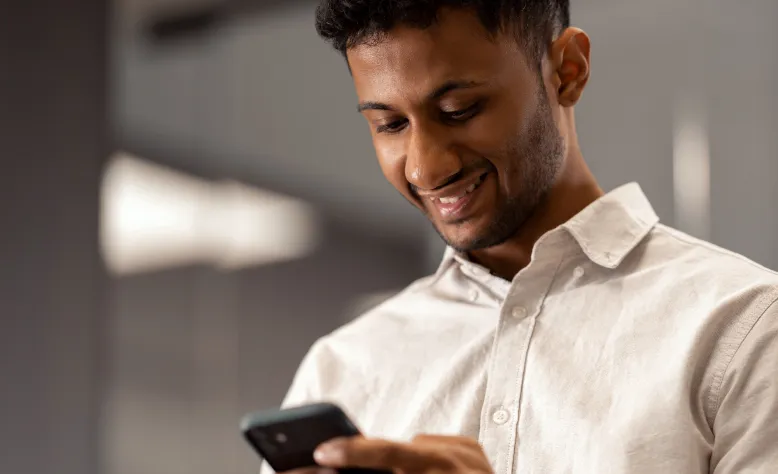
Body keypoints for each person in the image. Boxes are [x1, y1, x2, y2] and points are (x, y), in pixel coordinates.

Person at [263, 1, 778, 473]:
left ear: (567, 70)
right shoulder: (342, 368)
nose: (425, 166)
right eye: (390, 124)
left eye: (459, 110)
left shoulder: (745, 328)